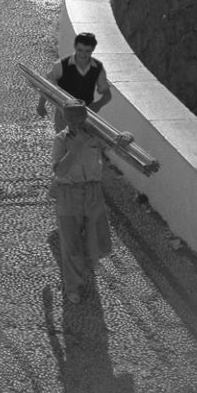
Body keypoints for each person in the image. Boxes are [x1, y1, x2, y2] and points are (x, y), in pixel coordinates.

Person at [50, 103, 131, 303]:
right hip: (69, 194)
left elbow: (118, 142)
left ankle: (83, 270)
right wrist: (75, 147)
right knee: (71, 245)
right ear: (66, 120)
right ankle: (72, 287)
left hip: (93, 192)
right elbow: (59, 170)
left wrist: (127, 136)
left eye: (79, 119)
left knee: (98, 241)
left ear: (85, 118)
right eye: (71, 120)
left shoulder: (95, 137)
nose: (76, 123)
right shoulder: (61, 139)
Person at [36, 32, 112, 126]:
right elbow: (47, 86)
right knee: (64, 139)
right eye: (80, 50)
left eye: (87, 51)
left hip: (86, 115)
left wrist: (97, 105)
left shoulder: (97, 68)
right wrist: (41, 104)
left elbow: (107, 95)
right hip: (64, 114)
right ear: (75, 47)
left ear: (93, 49)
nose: (83, 54)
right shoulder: (62, 65)